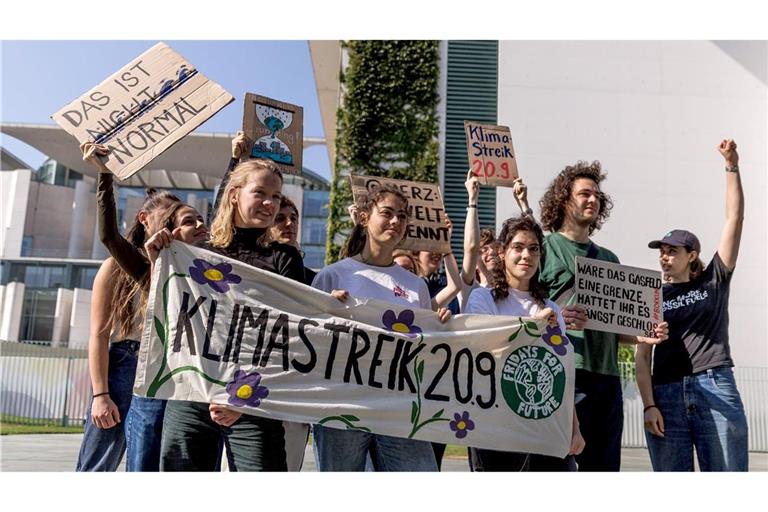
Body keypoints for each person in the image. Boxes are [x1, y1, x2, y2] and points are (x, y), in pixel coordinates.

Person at [159, 157, 305, 472]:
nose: (270, 203)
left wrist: (241, 395)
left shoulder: (284, 258)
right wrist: (156, 259)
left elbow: (287, 336)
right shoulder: (198, 252)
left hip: (254, 401)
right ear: (234, 193)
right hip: (193, 393)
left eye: (276, 196)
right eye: (261, 193)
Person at [311, 184, 452, 471]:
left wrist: (443, 327)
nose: (396, 221)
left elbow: (425, 345)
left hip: (399, 406)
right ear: (364, 218)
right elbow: (310, 339)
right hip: (343, 405)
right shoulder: (332, 276)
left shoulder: (416, 285)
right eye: (387, 213)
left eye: (402, 216)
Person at [536, 160, 664, 471]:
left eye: (597, 196)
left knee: (604, 467)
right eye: (584, 194)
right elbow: (528, 310)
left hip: (607, 380)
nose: (593, 200)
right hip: (566, 372)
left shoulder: (609, 259)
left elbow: (615, 327)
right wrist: (557, 316)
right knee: (558, 463)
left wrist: (643, 335)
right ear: (564, 199)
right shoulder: (544, 248)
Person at [636, 139, 748, 471]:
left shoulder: (714, 278)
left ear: (691, 255)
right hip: (666, 394)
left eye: (672, 251)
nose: (664, 257)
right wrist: (648, 405)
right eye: (661, 252)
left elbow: (735, 219)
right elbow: (642, 358)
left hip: (715, 383)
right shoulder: (651, 295)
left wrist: (731, 165)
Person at [76, 142, 185, 472]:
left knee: (148, 463)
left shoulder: (179, 268)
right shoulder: (119, 265)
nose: (172, 226)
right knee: (99, 462)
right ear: (144, 219)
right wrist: (100, 394)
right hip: (125, 363)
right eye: (166, 218)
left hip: (166, 368)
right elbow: (98, 333)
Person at [464, 216, 585, 471]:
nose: (526, 255)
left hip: (542, 426)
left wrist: (574, 428)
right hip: (493, 425)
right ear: (502, 252)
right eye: (518, 247)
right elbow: (484, 349)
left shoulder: (550, 307)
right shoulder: (482, 299)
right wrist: (531, 326)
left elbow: (559, 374)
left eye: (533, 249)